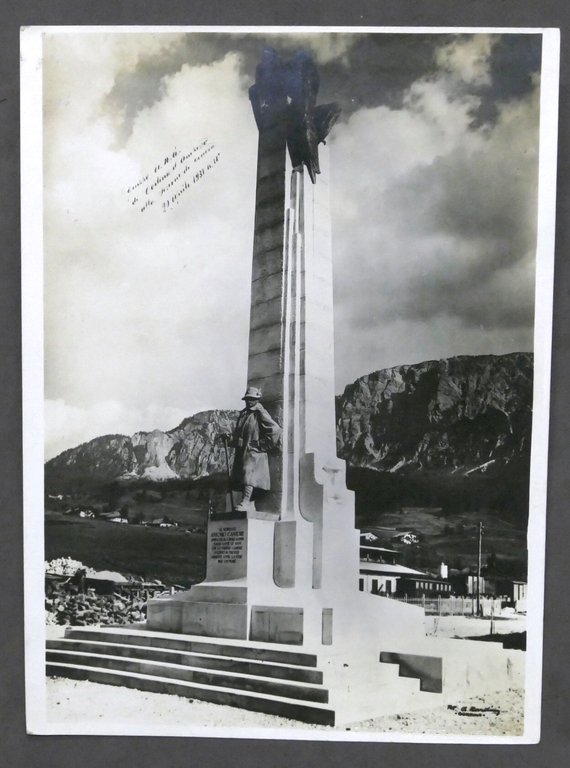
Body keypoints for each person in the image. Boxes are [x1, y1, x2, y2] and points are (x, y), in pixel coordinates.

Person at [226, 386, 281, 512]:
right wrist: (230, 439)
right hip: (243, 452)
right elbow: (239, 435)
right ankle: (249, 503)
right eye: (247, 399)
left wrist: (261, 445)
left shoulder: (259, 412)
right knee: (242, 476)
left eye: (251, 399)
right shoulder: (244, 414)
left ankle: (246, 501)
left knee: (249, 476)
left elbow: (275, 429)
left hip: (254, 454)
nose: (248, 401)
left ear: (257, 399)